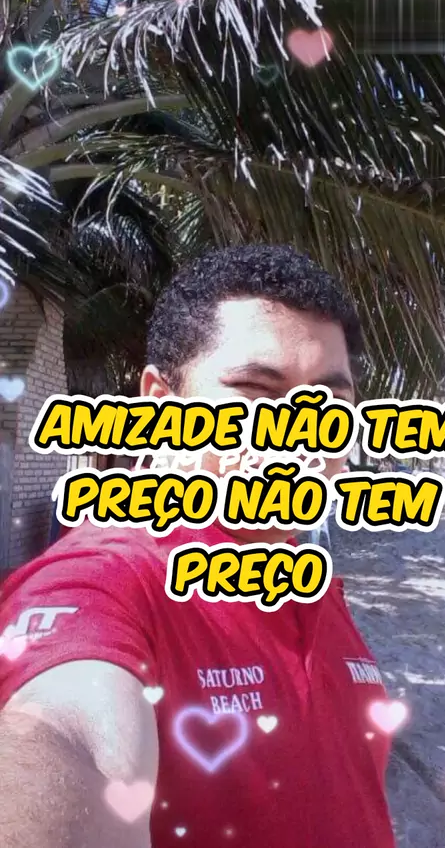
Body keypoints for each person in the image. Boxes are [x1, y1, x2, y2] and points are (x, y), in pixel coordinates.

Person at [0, 245, 395, 848]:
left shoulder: (312, 585)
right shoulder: (111, 580)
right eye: (255, 390)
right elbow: (65, 732)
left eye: (330, 401)